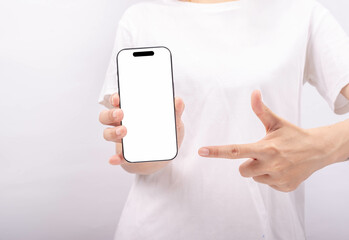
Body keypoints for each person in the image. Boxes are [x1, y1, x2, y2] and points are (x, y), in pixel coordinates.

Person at [98, 0, 349, 239]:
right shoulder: (140, 20)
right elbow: (134, 162)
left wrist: (322, 146)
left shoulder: (301, 13)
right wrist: (149, 151)